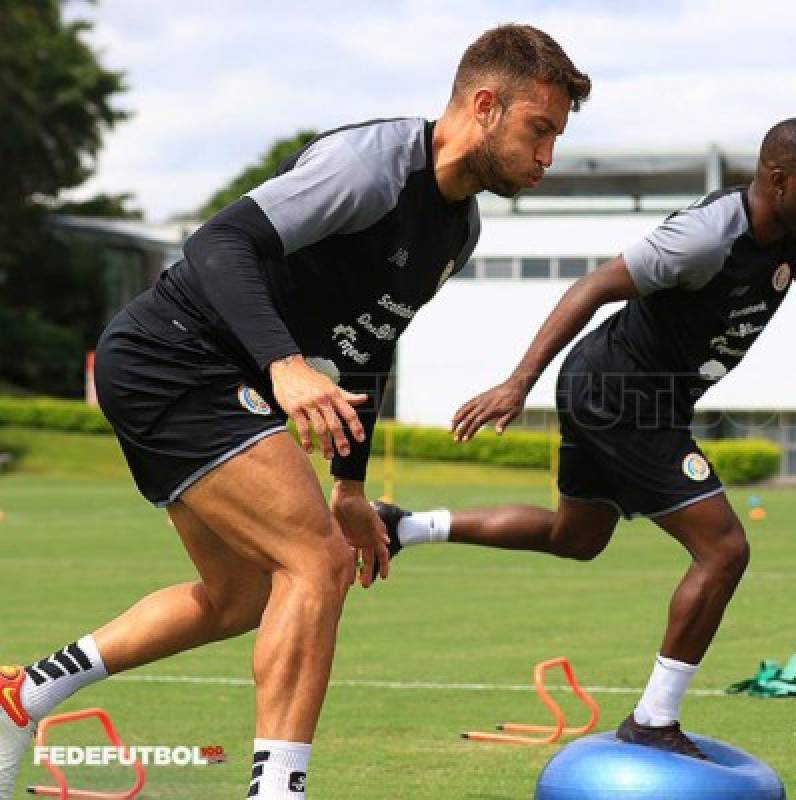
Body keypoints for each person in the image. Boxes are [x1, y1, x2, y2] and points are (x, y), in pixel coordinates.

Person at [0, 24, 590, 800]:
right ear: (485, 105)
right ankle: (277, 792)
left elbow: (372, 346)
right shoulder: (371, 166)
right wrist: (283, 366)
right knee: (314, 563)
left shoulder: (459, 228)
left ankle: (23, 698)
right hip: (171, 356)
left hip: (205, 378)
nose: (546, 158)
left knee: (241, 596)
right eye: (537, 130)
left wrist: (349, 490)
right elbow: (218, 243)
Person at [373, 118, 796, 759]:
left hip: (623, 394)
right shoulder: (704, 237)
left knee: (576, 537)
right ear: (777, 182)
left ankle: (406, 527)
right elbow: (593, 286)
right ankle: (653, 718)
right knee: (724, 548)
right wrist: (517, 382)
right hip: (622, 396)